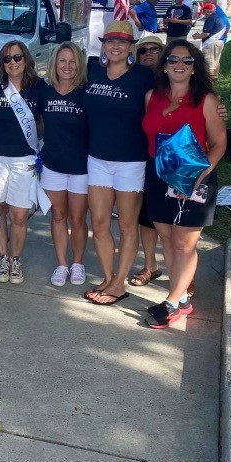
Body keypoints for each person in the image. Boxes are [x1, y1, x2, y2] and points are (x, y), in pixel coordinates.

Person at [142, 40, 227, 328]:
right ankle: (180, 298)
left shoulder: (207, 101)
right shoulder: (152, 97)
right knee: (167, 239)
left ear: (194, 67)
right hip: (158, 177)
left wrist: (196, 176)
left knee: (185, 244)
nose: (180, 64)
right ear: (164, 66)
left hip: (194, 179)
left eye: (187, 60)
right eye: (173, 59)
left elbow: (219, 144)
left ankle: (172, 302)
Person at [83, 18, 150, 306]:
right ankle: (108, 276)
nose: (115, 47)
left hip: (130, 161)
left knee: (126, 224)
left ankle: (119, 283)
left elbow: (173, 98)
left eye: (122, 42)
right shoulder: (93, 71)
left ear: (131, 46)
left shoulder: (144, 76)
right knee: (99, 223)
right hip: (97, 158)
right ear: (103, 45)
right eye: (110, 41)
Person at [29, 42, 89, 286]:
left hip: (81, 167)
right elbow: (38, 123)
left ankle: (78, 264)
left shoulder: (86, 92)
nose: (67, 66)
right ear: (55, 63)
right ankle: (62, 264)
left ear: (79, 65)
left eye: (73, 61)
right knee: (58, 216)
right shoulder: (45, 92)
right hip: (53, 165)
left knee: (78, 219)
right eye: (62, 61)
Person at [0, 40, 41, 287]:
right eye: (7, 58)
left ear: (26, 59)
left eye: (17, 57)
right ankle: (3, 257)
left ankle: (16, 259)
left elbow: (49, 117)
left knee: (19, 215)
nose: (12, 62)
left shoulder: (38, 87)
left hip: (24, 159)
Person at [130, 35, 167, 285]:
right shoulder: (133, 80)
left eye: (155, 49)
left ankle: (184, 273)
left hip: (169, 158)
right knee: (146, 214)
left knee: (174, 217)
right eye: (143, 51)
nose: (149, 54)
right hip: (137, 155)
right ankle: (150, 265)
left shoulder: (174, 79)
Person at [200, 0, 231, 78]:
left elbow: (227, 26)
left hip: (213, 41)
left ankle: (210, 81)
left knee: (209, 63)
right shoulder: (217, 11)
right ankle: (214, 79)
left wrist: (217, 35)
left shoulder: (216, 13)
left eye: (205, 4)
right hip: (218, 41)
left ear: (210, 3)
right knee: (215, 62)